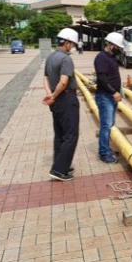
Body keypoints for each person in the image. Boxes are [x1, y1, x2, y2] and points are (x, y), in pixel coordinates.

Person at [42, 28, 80, 182]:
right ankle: (59, 170)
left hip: (56, 100)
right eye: (72, 44)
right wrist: (54, 95)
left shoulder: (50, 57)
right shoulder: (66, 59)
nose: (73, 47)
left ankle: (61, 164)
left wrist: (50, 94)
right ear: (67, 42)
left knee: (60, 134)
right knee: (71, 135)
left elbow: (45, 78)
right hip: (66, 99)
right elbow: (64, 82)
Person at [94, 32, 124, 163]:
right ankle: (104, 153)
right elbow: (102, 78)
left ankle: (106, 148)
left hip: (111, 96)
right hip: (105, 96)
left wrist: (119, 91)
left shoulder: (111, 57)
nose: (119, 49)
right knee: (106, 125)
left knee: (110, 124)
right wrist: (113, 92)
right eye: (118, 47)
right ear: (110, 44)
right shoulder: (101, 58)